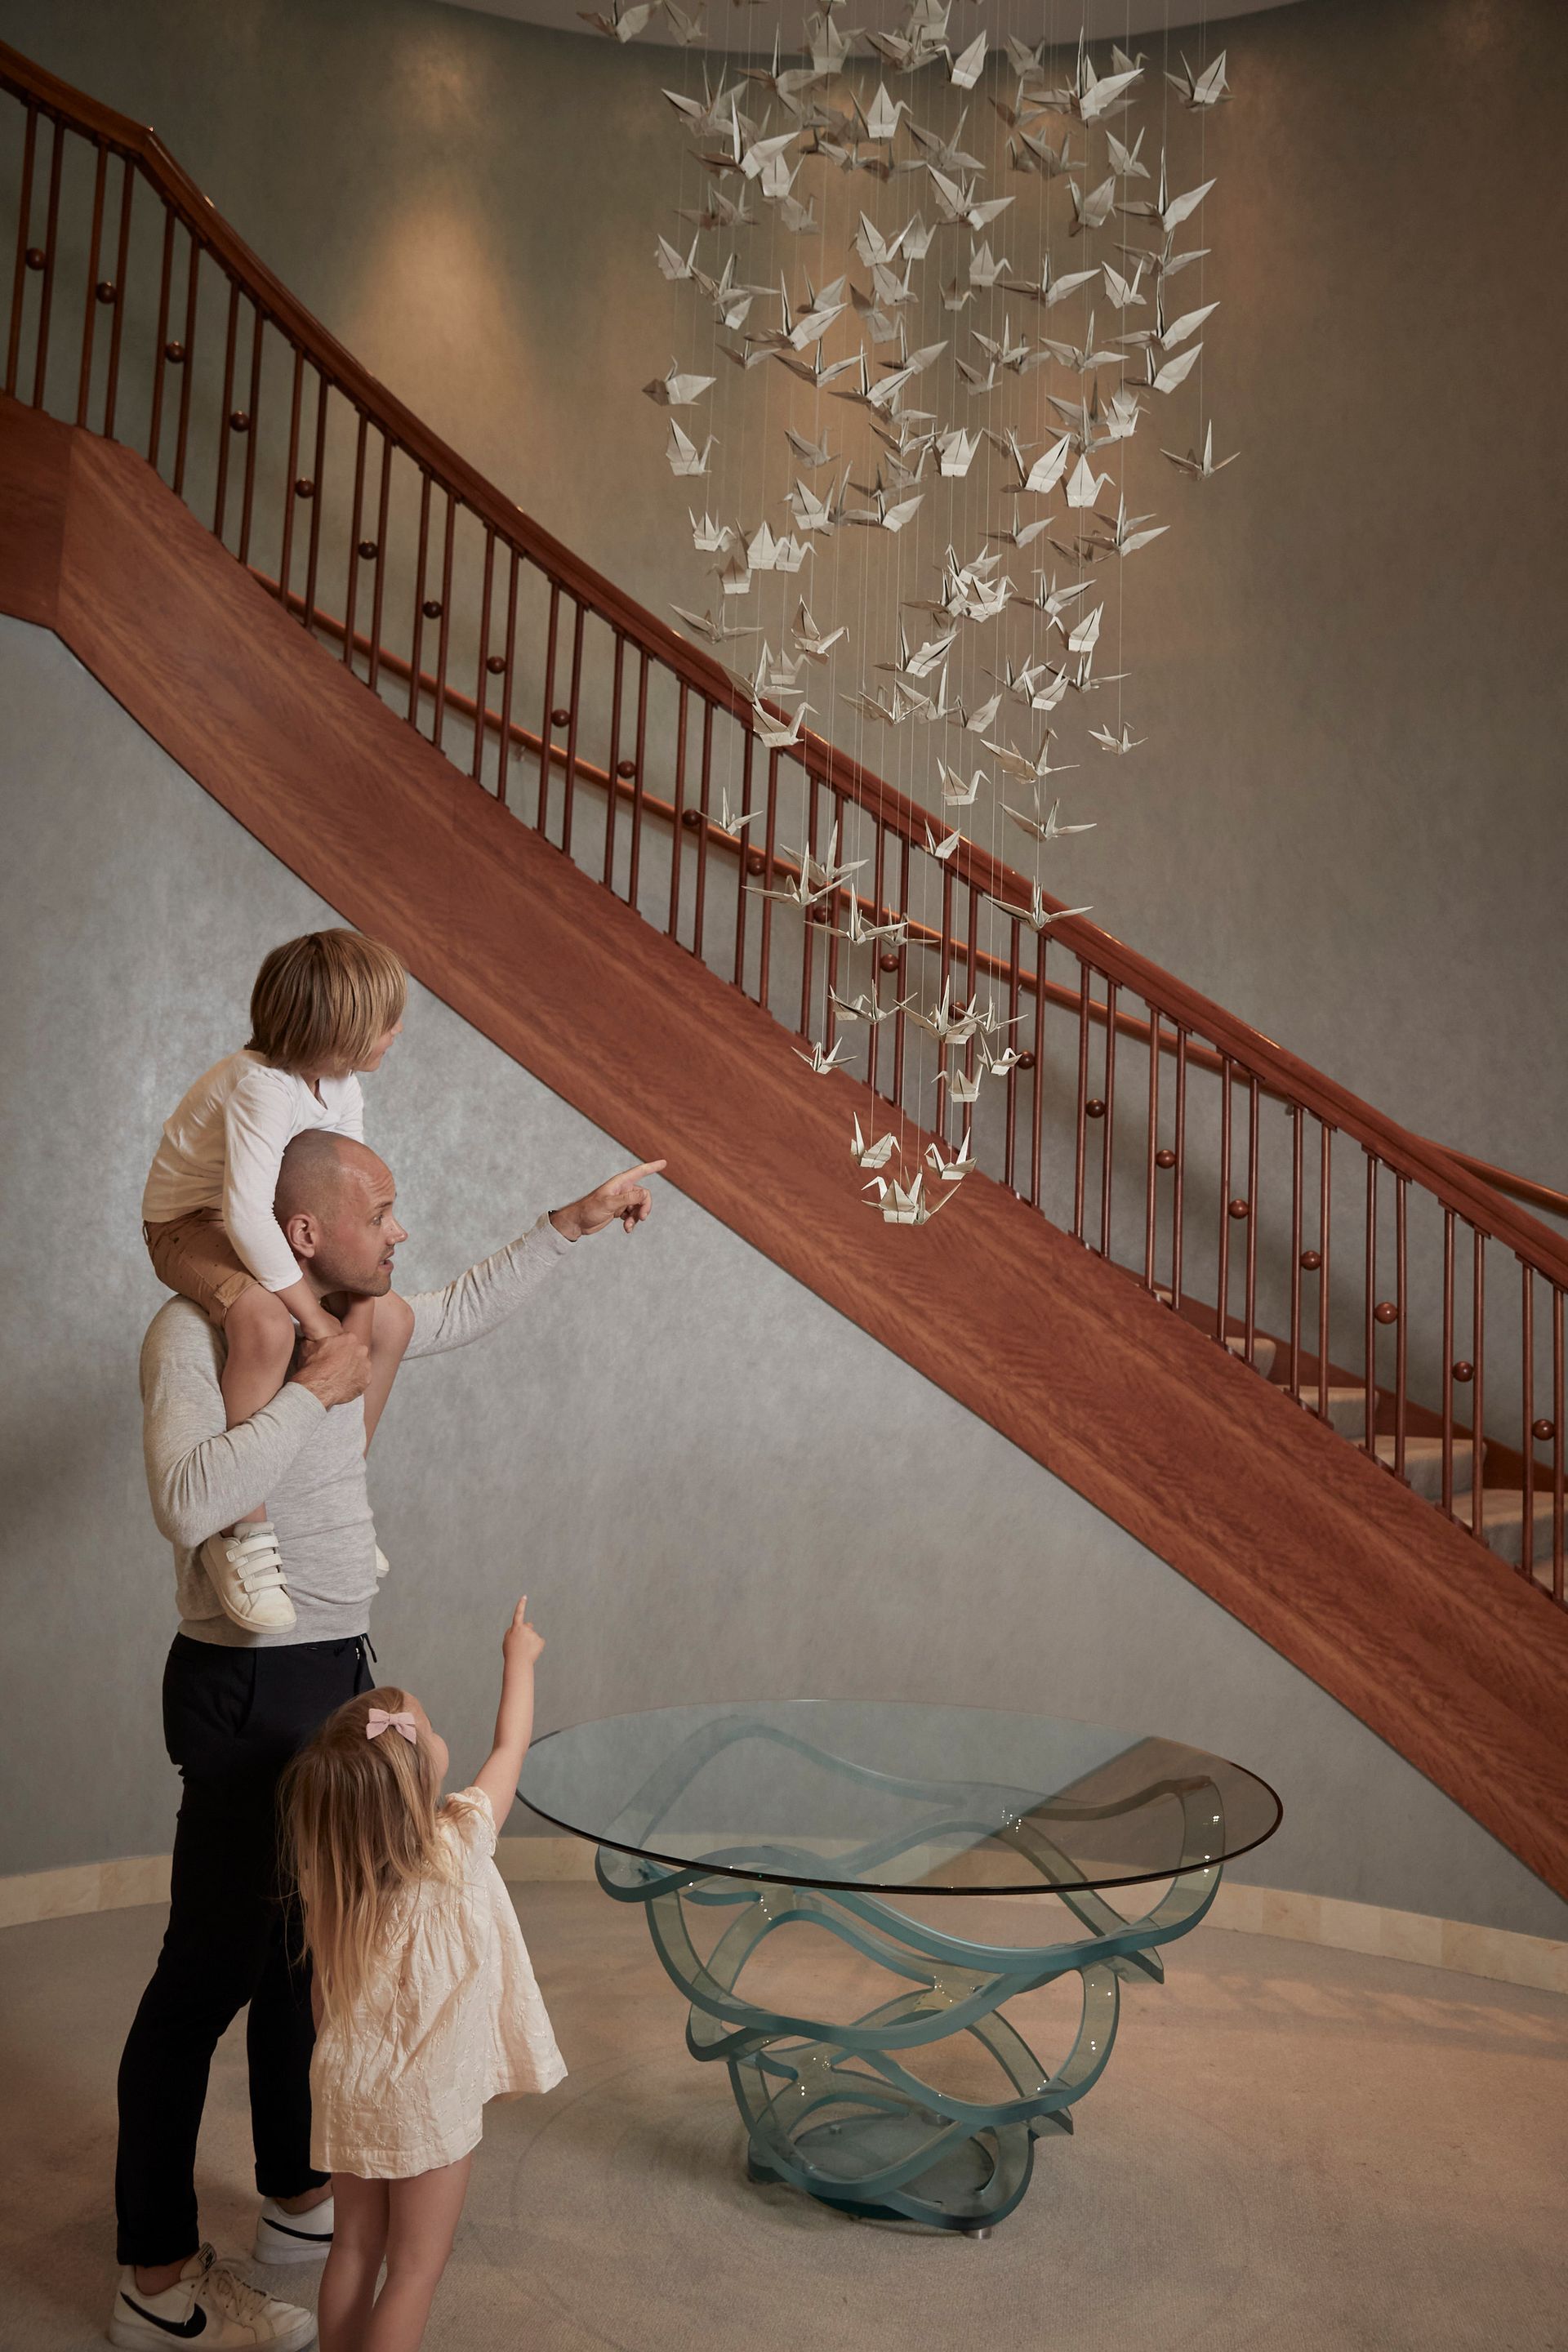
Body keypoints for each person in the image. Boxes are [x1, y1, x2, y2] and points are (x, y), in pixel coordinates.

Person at [108, 1129, 665, 2352]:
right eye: (382, 1212)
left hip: (332, 1669)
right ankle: (152, 2274)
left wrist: (568, 1224)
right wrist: (313, 1389)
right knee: (209, 1974)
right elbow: (184, 1504)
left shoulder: (348, 1317)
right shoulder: (194, 1335)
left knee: (315, 1963)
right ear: (306, 1232)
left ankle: (299, 2193)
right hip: (246, 1685)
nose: (401, 1230)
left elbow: (457, 1306)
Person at [284, 1598, 562, 2352]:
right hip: (425, 2103)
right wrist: (519, 1659)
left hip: (347, 2086)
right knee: (414, 2269)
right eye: (431, 1730)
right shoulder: (462, 1839)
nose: (440, 1737)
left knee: (353, 2249)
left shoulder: (336, 1883)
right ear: (415, 1777)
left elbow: (320, 2002)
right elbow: (511, 1746)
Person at [142, 930, 416, 1633]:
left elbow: (337, 1188)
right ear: (339, 1030)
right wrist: (316, 1322)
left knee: (388, 1316)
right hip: (191, 1223)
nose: (398, 1032)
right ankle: (245, 1533)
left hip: (262, 1216)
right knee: (264, 1322)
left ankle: (332, 1501)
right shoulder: (262, 1086)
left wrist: (353, 1297)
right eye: (386, 1021)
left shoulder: (342, 1085)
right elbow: (242, 1218)